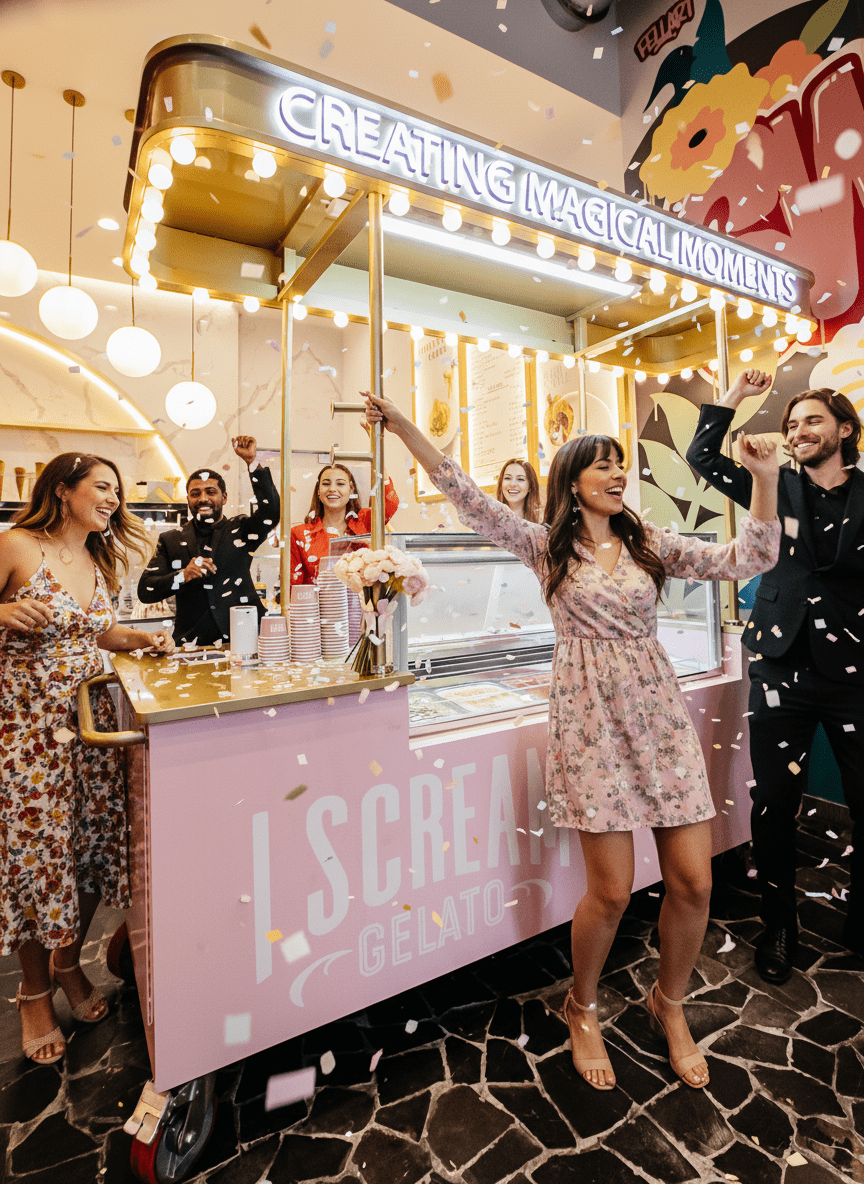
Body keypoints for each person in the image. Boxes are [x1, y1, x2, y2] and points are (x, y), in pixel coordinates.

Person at [365, 389, 780, 1091]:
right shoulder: (543, 544)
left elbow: (751, 558)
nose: (618, 473)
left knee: (695, 880)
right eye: (602, 465)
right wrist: (406, 425)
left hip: (659, 716)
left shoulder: (649, 542)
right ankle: (580, 1005)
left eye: (621, 463)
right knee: (612, 892)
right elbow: (465, 493)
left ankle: (668, 1003)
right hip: (589, 725)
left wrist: (765, 482)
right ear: (573, 481)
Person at [686, 371, 864, 981]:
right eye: (792, 425)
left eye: (812, 420)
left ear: (845, 429)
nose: (797, 432)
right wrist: (734, 398)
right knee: (775, 803)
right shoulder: (775, 485)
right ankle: (779, 926)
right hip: (778, 665)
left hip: (854, 672)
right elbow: (701, 455)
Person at [0, 453, 174, 1065]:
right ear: (63, 490)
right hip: (29, 736)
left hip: (93, 730)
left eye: (117, 491)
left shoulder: (94, 559)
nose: (113, 499)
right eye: (102, 488)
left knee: (92, 850)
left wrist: (143, 637)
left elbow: (94, 633)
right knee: (38, 859)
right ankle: (34, 991)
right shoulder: (16, 545)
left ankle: (69, 963)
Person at [138, 436, 279, 645]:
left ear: (224, 498)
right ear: (188, 500)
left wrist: (252, 463)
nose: (203, 498)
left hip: (246, 638)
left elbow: (272, 512)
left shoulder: (241, 530)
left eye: (210, 492)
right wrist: (182, 576)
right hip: (192, 645)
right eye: (195, 493)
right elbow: (146, 591)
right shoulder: (171, 539)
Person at [290, 463, 399, 585]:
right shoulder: (299, 534)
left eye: (340, 484)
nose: (332, 489)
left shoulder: (364, 520)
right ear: (319, 491)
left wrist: (378, 463)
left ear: (351, 489)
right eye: (326, 484)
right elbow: (294, 587)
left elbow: (390, 504)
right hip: (320, 603)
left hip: (362, 602)